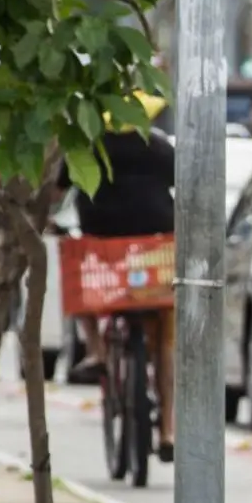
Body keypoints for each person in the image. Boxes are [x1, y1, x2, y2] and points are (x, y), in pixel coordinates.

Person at [71, 98, 179, 461]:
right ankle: (167, 429)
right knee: (165, 341)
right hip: (155, 254)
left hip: (102, 253)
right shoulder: (159, 147)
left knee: (79, 280)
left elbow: (58, 187)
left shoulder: (87, 146)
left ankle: (96, 349)